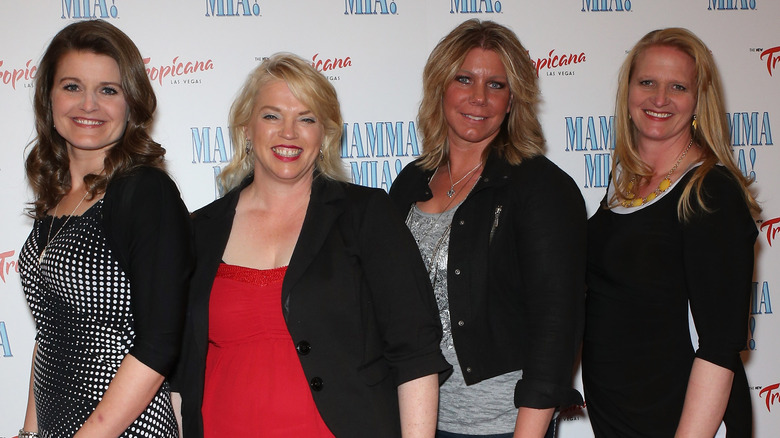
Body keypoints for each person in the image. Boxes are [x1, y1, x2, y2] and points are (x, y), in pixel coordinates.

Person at [175, 53, 451, 438]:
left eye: (307, 118)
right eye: (272, 116)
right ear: (246, 128)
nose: (289, 132)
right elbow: (180, 369)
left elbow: (415, 354)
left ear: (324, 135)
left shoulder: (366, 215)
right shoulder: (199, 229)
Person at [389, 19, 586, 438]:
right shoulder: (409, 182)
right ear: (440, 87)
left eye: (496, 85)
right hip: (413, 420)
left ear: (514, 98)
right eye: (464, 79)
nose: (479, 97)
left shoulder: (542, 187)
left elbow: (556, 327)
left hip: (499, 425)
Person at [17, 20, 192, 438]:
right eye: (72, 86)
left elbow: (158, 346)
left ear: (131, 103)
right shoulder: (57, 199)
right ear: (49, 98)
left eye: (108, 90)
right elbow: (51, 332)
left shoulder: (145, 192)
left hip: (127, 429)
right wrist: (28, 433)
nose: (88, 105)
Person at [582, 28, 760, 437]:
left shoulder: (711, 192)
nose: (659, 99)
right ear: (628, 92)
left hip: (682, 421)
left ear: (698, 100)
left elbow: (719, 347)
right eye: (647, 82)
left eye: (677, 86)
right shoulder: (623, 182)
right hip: (623, 415)